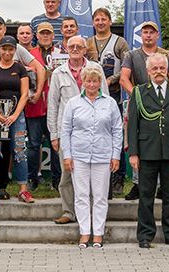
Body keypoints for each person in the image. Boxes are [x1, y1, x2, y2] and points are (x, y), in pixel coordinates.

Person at [127, 53, 169, 249]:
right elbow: (133, 125)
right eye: (154, 69)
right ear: (148, 72)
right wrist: (134, 153)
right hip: (147, 151)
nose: (159, 72)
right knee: (146, 195)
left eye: (162, 68)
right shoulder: (139, 92)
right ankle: (145, 235)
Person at [48, 35, 108, 224]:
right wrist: (54, 135)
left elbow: (105, 98)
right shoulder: (59, 72)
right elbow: (53, 105)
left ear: (84, 49)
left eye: (78, 46)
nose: (74, 49)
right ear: (66, 48)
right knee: (67, 174)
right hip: (67, 132)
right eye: (71, 46)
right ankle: (68, 211)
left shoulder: (95, 69)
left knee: (91, 174)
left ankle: (90, 213)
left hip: (93, 132)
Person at [61, 66, 123, 248]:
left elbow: (117, 130)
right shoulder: (73, 103)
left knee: (100, 196)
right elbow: (66, 130)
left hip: (103, 156)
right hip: (79, 155)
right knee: (81, 195)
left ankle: (98, 233)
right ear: (83, 82)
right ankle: (84, 232)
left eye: (95, 81)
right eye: (88, 80)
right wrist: (67, 155)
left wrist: (115, 155)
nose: (92, 84)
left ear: (100, 83)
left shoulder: (110, 103)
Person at [119, 21, 169, 200]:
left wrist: (164, 97)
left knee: (161, 140)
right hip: (138, 103)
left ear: (157, 35)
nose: (148, 35)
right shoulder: (131, 55)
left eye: (151, 32)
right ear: (141, 35)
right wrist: (138, 95)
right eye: (145, 32)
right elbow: (124, 78)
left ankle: (161, 186)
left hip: (162, 104)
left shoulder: (167, 55)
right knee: (137, 141)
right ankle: (138, 184)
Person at [85, 7, 130, 198]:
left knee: (115, 136)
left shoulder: (119, 42)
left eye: (104, 19)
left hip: (113, 96)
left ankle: (118, 177)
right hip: (92, 98)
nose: (100, 22)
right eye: (97, 19)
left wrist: (112, 79)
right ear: (93, 22)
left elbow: (128, 65)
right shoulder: (88, 42)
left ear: (110, 21)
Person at [0, 36, 34, 204]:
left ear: (15, 50)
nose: (7, 52)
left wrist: (14, 115)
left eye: (10, 49)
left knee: (20, 151)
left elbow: (25, 94)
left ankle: (23, 190)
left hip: (16, 115)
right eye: (4, 49)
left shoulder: (20, 69)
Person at [25, 22, 63, 192]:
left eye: (48, 33)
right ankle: (32, 177)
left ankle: (57, 179)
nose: (45, 36)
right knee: (33, 145)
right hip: (35, 106)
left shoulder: (61, 54)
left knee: (56, 144)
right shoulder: (29, 55)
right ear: (37, 36)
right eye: (42, 33)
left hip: (55, 107)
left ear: (53, 35)